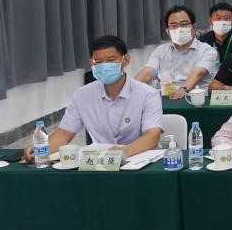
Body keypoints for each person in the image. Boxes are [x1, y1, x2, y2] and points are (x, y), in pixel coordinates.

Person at [24, 35, 161, 160]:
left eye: (111, 60)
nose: (104, 66)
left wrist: (124, 152)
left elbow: (152, 135)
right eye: (98, 62)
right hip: (100, 162)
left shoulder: (147, 94)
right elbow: (64, 134)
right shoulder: (82, 95)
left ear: (125, 60)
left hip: (139, 158)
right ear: (92, 63)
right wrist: (41, 148)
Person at [136, 6, 218, 97]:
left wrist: (183, 89)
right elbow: (147, 72)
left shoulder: (207, 50)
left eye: (184, 24)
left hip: (194, 98)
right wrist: (130, 87)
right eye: (174, 26)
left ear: (194, 27)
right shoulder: (161, 50)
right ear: (168, 31)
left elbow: (198, 73)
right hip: (166, 97)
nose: (179, 29)